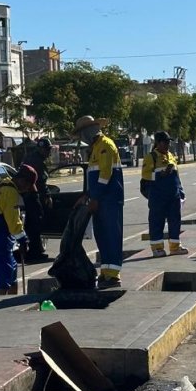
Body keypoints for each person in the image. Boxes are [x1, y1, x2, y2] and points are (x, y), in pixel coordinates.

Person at [74, 115, 124, 289]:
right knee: (102, 237)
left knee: (111, 235)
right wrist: (87, 194)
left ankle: (113, 276)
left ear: (89, 131)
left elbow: (105, 174)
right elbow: (96, 177)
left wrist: (95, 198)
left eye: (82, 133)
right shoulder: (95, 148)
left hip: (109, 199)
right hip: (100, 199)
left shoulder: (105, 145)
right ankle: (106, 272)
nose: (81, 137)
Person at [0, 164, 37, 295]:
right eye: (28, 186)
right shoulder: (10, 192)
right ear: (22, 180)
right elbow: (13, 220)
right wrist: (23, 240)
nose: (27, 190)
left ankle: (9, 304)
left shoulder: (3, 185)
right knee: (5, 279)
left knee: (12, 273)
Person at [141, 131, 188, 257]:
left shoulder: (171, 155)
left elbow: (176, 175)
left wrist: (181, 191)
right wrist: (159, 175)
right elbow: (145, 175)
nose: (167, 145)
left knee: (175, 221)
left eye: (169, 142)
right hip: (158, 197)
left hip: (173, 196)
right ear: (158, 143)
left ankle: (175, 247)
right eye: (165, 142)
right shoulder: (151, 157)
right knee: (157, 221)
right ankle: (157, 248)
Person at [21, 137, 53, 261]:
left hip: (27, 195)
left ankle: (35, 250)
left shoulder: (29, 158)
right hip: (33, 195)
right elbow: (41, 182)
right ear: (41, 150)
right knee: (35, 224)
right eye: (47, 150)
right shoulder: (37, 161)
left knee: (31, 224)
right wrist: (48, 196)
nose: (48, 153)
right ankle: (35, 252)